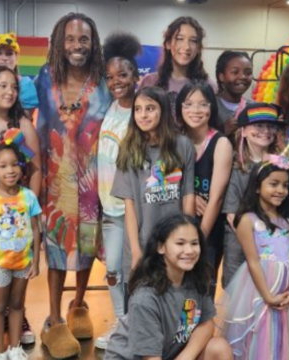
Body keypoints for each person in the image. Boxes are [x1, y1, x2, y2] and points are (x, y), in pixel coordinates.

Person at [35, 12, 111, 359]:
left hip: (94, 183)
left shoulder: (105, 80)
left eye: (84, 39)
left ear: (93, 43)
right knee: (55, 251)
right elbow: (34, 126)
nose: (77, 45)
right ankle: (53, 319)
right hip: (54, 181)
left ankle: (78, 305)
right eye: (70, 39)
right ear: (59, 42)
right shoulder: (44, 77)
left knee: (86, 246)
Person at [0, 65, 42, 355]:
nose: (9, 92)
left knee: (16, 268)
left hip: (18, 206)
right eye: (2, 86)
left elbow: (36, 167)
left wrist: (29, 206)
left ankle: (17, 318)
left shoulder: (23, 123)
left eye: (13, 87)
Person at [222, 159, 289, 359]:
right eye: (273, 184)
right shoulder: (247, 220)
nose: (280, 190)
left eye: (285, 185)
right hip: (261, 289)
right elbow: (253, 261)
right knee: (263, 333)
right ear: (257, 187)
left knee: (288, 334)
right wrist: (267, 296)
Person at [105, 214, 233, 360]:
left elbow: (207, 324)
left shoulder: (195, 281)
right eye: (180, 243)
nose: (189, 250)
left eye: (194, 243)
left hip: (170, 355)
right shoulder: (145, 298)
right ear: (161, 247)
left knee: (219, 348)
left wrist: (185, 356)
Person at [112, 87, 196, 291]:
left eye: (150, 108)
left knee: (173, 304)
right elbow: (129, 206)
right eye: (138, 109)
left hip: (175, 243)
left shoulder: (183, 145)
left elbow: (188, 196)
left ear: (164, 111)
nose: (143, 115)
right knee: (141, 304)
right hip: (143, 242)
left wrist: (188, 240)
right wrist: (135, 251)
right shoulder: (129, 148)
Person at [95, 31, 142, 350]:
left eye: (123, 74)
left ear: (135, 76)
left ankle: (135, 329)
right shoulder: (109, 107)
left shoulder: (140, 111)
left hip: (131, 211)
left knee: (133, 271)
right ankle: (122, 323)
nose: (116, 81)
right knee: (112, 271)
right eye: (110, 76)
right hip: (107, 208)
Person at [221, 102, 287, 288]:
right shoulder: (235, 166)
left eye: (270, 125)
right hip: (241, 244)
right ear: (243, 131)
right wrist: (256, 241)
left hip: (275, 245)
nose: (265, 130)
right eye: (258, 125)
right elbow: (232, 213)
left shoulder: (281, 165)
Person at [177, 81, 232, 298]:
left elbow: (216, 199)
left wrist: (198, 239)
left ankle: (200, 331)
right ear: (179, 108)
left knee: (200, 293)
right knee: (177, 291)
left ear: (212, 108)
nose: (196, 111)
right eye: (188, 104)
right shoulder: (175, 141)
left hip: (208, 230)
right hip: (177, 228)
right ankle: (177, 332)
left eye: (203, 104)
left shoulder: (220, 144)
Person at [138, 16, 216, 127]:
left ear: (198, 47)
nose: (187, 47)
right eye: (180, 39)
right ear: (168, 44)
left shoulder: (208, 85)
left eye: (193, 41)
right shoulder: (149, 82)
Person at [214, 51, 253, 136]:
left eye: (248, 73)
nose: (243, 77)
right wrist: (222, 131)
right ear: (221, 77)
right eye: (235, 72)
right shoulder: (210, 106)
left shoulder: (255, 108)